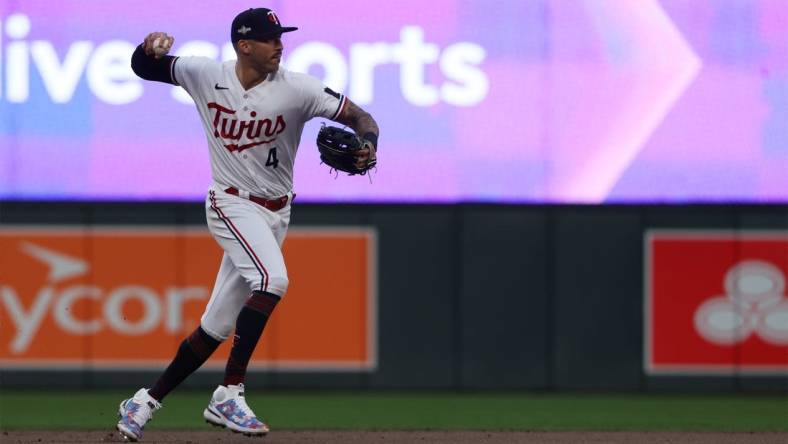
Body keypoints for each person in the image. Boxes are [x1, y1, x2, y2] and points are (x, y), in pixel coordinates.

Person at [116, 7, 378, 442]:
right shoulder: (204, 74)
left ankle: (143, 401)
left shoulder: (298, 88)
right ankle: (229, 392)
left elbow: (361, 118)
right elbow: (146, 68)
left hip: (277, 213)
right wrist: (146, 49)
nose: (280, 45)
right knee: (272, 280)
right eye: (271, 38)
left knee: (215, 326)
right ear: (244, 45)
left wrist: (368, 144)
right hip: (229, 202)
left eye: (281, 37)